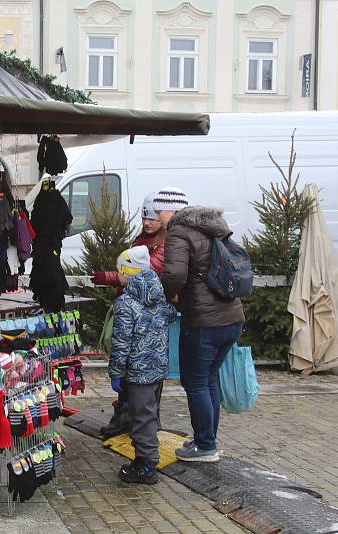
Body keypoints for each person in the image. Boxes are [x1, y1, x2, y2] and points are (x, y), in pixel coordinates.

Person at [160, 203, 245, 463]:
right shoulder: (216, 229)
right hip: (232, 317)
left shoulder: (179, 232)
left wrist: (167, 293)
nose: (154, 217)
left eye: (158, 211)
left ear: (171, 213)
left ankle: (205, 445)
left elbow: (174, 273)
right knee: (208, 380)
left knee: (195, 383)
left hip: (203, 321)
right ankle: (206, 439)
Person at [93, 192, 168, 437]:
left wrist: (111, 277)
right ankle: (126, 414)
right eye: (145, 217)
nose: (147, 222)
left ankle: (142, 425)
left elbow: (141, 273)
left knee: (138, 372)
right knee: (129, 370)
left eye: (153, 218)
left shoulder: (163, 244)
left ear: (163, 218)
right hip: (130, 303)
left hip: (141, 310)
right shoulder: (142, 240)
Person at [109, 246, 177, 484]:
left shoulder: (125, 304)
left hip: (138, 374)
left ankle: (146, 465)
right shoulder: (159, 299)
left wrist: (116, 372)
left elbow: (121, 343)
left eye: (119, 271)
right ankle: (147, 458)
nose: (116, 275)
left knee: (141, 418)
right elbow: (170, 314)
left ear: (127, 273)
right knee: (149, 414)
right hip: (157, 370)